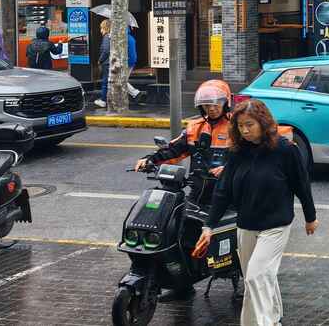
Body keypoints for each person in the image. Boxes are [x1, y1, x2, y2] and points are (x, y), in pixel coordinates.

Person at [195, 99, 317, 326]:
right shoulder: (237, 153)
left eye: (249, 124)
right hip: (246, 225)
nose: (245, 130)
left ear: (263, 122)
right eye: (240, 126)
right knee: (261, 277)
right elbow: (223, 192)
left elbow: (302, 185)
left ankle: (264, 322)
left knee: (255, 276)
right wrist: (208, 226)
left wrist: (311, 217)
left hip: (276, 225)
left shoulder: (285, 150)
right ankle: (271, 316)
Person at [133, 79, 238, 302]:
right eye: (206, 106)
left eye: (215, 105)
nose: (211, 109)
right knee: (178, 232)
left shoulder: (236, 127)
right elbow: (174, 150)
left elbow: (249, 156)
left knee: (232, 237)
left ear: (225, 104)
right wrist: (150, 159)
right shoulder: (194, 128)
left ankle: (244, 275)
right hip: (198, 193)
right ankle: (182, 284)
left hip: (229, 195)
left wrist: (229, 168)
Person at [94, 19, 140, 109]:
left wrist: (100, 60)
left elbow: (108, 50)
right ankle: (132, 94)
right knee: (120, 80)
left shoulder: (122, 37)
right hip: (131, 61)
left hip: (127, 62)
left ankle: (135, 93)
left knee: (120, 80)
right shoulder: (129, 37)